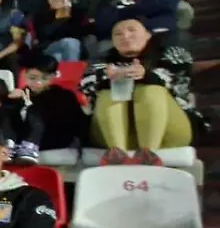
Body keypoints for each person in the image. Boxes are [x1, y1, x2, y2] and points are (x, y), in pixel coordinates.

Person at [80, 18, 201, 166]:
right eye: (118, 34)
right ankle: (117, 155)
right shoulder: (101, 61)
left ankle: (148, 155)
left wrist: (146, 74)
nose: (125, 36)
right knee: (108, 92)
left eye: (132, 30)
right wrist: (107, 78)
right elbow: (85, 90)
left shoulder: (171, 53)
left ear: (148, 34)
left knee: (149, 90)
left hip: (168, 132)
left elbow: (178, 77)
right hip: (114, 134)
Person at [21, 54, 89, 151]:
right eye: (32, 78)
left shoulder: (64, 96)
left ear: (53, 77)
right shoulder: (19, 96)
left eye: (44, 78)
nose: (38, 83)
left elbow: (79, 124)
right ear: (25, 75)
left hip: (56, 143)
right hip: (22, 144)